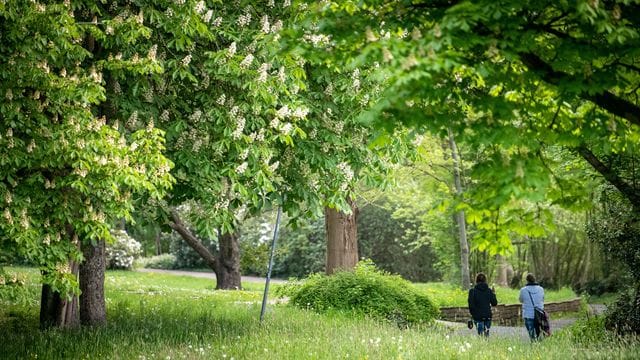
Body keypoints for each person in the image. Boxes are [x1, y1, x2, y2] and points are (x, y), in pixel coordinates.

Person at [468, 273, 498, 337]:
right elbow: (494, 303)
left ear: (476, 280)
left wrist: (473, 314)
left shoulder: (472, 291)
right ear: (485, 280)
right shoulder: (489, 291)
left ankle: (483, 345)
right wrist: (493, 294)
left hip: (477, 316)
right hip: (487, 316)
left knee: (481, 334)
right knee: (486, 334)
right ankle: (486, 345)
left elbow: (471, 305)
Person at [519, 273, 545, 341]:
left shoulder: (523, 290)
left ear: (527, 280)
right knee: (539, 331)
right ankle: (539, 345)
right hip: (539, 314)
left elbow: (521, 300)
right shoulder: (541, 289)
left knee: (531, 334)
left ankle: (534, 345)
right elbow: (542, 299)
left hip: (528, 315)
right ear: (534, 280)